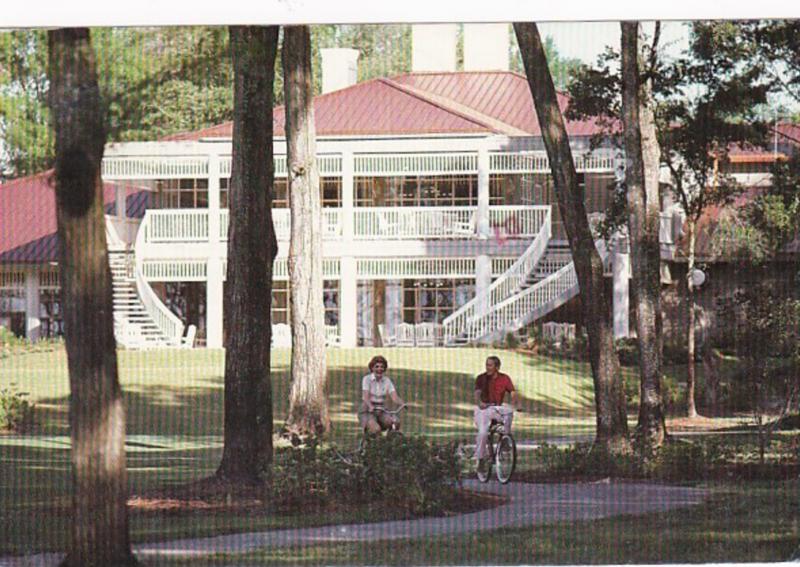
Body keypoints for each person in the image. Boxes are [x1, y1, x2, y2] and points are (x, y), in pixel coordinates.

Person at [473, 355, 518, 463]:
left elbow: (512, 392)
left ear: (497, 367)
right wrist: (480, 403)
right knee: (483, 433)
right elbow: (477, 393)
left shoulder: (504, 378)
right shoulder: (481, 378)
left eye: (490, 365)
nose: (487, 367)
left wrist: (515, 403)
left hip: (496, 407)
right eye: (486, 365)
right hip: (483, 409)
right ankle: (480, 459)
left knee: (509, 411)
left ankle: (505, 437)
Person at [359, 355, 405, 434]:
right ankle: (371, 443)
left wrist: (403, 403)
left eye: (382, 367)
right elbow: (365, 397)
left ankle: (389, 442)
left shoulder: (387, 381)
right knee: (376, 429)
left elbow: (394, 396)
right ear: (372, 368)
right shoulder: (367, 379)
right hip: (368, 410)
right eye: (377, 367)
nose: (379, 369)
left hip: (382, 409)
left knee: (395, 422)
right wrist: (370, 406)